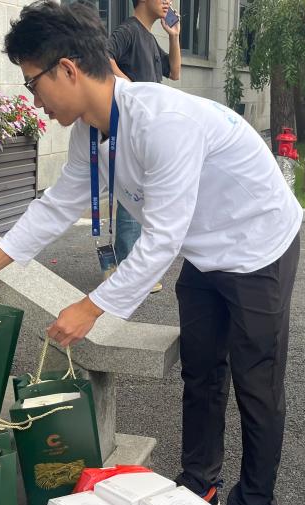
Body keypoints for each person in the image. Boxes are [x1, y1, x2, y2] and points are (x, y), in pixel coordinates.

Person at [0, 0, 302, 505]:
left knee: (257, 381)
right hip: (204, 249)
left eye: (33, 83)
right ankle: (199, 483)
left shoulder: (165, 124)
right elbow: (56, 206)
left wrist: (90, 309)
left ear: (68, 69)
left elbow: (160, 240)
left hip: (259, 247)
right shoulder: (91, 129)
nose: (35, 100)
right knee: (202, 372)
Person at [108, 0, 181, 293]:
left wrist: (174, 36)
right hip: (130, 127)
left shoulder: (148, 37)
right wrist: (129, 86)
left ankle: (131, 268)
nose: (168, 2)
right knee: (131, 196)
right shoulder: (128, 30)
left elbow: (175, 71)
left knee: (143, 198)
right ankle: (128, 270)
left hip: (147, 129)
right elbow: (103, 57)